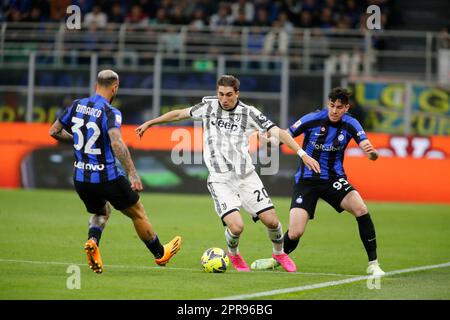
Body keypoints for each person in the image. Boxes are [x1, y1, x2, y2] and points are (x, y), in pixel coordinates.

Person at [135, 75, 320, 273]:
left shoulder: (249, 113)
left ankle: (279, 253)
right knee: (237, 227)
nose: (224, 99)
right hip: (220, 179)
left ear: (237, 94)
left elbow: (280, 132)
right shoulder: (209, 107)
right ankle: (233, 254)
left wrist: (302, 154)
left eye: (229, 95)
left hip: (247, 176)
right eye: (221, 94)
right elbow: (179, 114)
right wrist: (151, 123)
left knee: (272, 221)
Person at [49, 69, 181, 274]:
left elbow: (54, 131)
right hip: (107, 176)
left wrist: (77, 141)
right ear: (115, 87)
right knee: (138, 212)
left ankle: (93, 241)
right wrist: (132, 173)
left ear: (96, 85)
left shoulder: (76, 105)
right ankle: (159, 253)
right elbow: (117, 142)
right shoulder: (110, 112)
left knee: (101, 211)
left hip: (81, 177)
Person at [251, 87, 385, 276]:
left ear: (346, 108)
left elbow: (369, 150)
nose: (334, 110)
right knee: (295, 232)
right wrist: (265, 139)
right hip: (307, 181)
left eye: (339, 107)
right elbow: (285, 137)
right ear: (328, 104)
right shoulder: (312, 119)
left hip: (334, 180)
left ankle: (373, 264)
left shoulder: (351, 124)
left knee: (361, 208)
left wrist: (372, 154)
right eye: (332, 105)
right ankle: (276, 259)